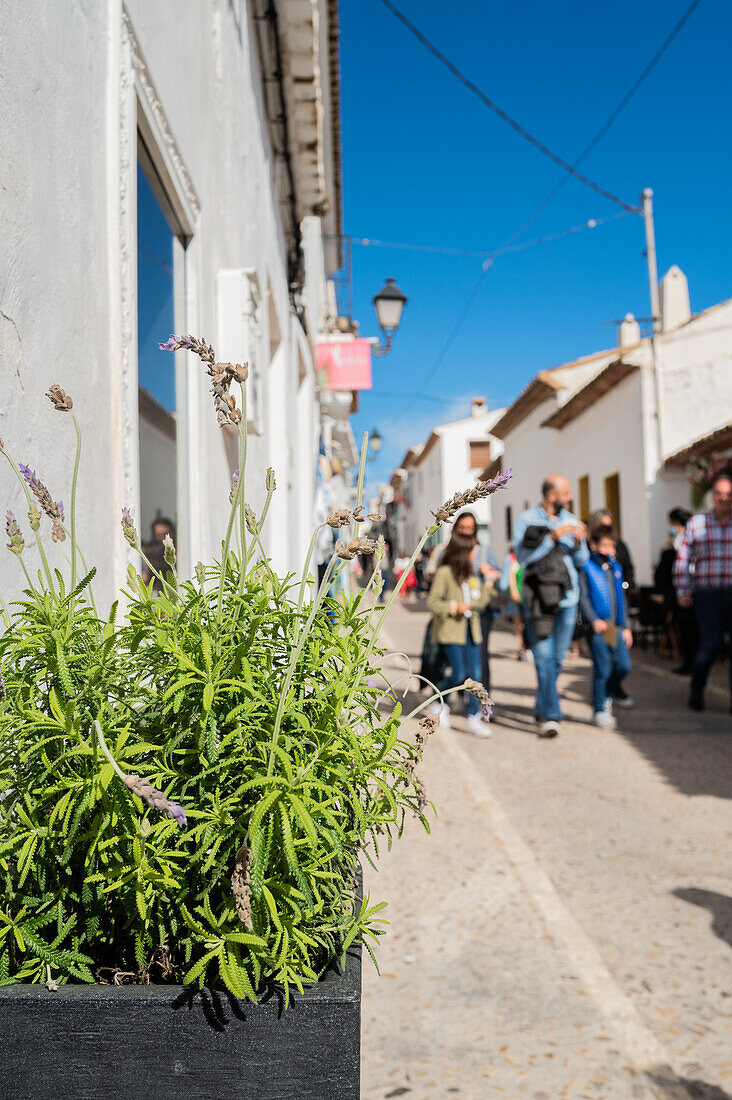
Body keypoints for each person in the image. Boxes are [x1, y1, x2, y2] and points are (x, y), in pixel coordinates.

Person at [514, 476, 589, 738]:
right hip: (538, 599)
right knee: (544, 657)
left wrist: (579, 542)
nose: (570, 498)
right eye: (566, 493)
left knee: (557, 659)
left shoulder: (571, 519)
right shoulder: (526, 520)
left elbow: (582, 561)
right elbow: (522, 558)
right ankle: (551, 714)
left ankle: (541, 704)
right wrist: (552, 538)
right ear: (551, 495)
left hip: (568, 599)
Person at [427, 530, 495, 738]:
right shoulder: (445, 573)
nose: (476, 553)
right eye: (473, 549)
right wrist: (453, 606)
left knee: (475, 675)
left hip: (471, 630)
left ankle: (473, 717)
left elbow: (478, 604)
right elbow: (433, 602)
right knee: (458, 673)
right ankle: (441, 703)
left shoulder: (472, 575)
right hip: (451, 631)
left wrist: (489, 584)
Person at [674, 471, 732, 712]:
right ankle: (697, 690)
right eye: (719, 494)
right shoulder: (697, 523)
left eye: (729, 494)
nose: (723, 499)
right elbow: (683, 559)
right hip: (706, 594)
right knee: (710, 645)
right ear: (712, 497)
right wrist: (683, 590)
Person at [579, 523, 633, 728]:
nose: (610, 550)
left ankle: (608, 695)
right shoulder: (587, 567)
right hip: (598, 627)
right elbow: (583, 598)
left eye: (612, 546)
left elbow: (622, 599)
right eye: (606, 545)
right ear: (593, 545)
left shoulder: (615, 568)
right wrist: (593, 619)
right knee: (602, 668)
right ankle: (599, 709)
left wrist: (626, 626)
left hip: (615, 628)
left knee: (623, 665)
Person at [654, 507, 697, 675]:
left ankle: (690, 663)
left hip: (685, 591)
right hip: (684, 590)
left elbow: (682, 566)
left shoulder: (683, 539)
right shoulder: (681, 538)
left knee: (687, 630)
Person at [498, 544, 528, 660]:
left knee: (524, 625)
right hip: (515, 596)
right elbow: (507, 577)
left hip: (526, 597)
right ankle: (522, 649)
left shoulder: (527, 558)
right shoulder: (512, 559)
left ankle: (525, 648)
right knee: (519, 625)